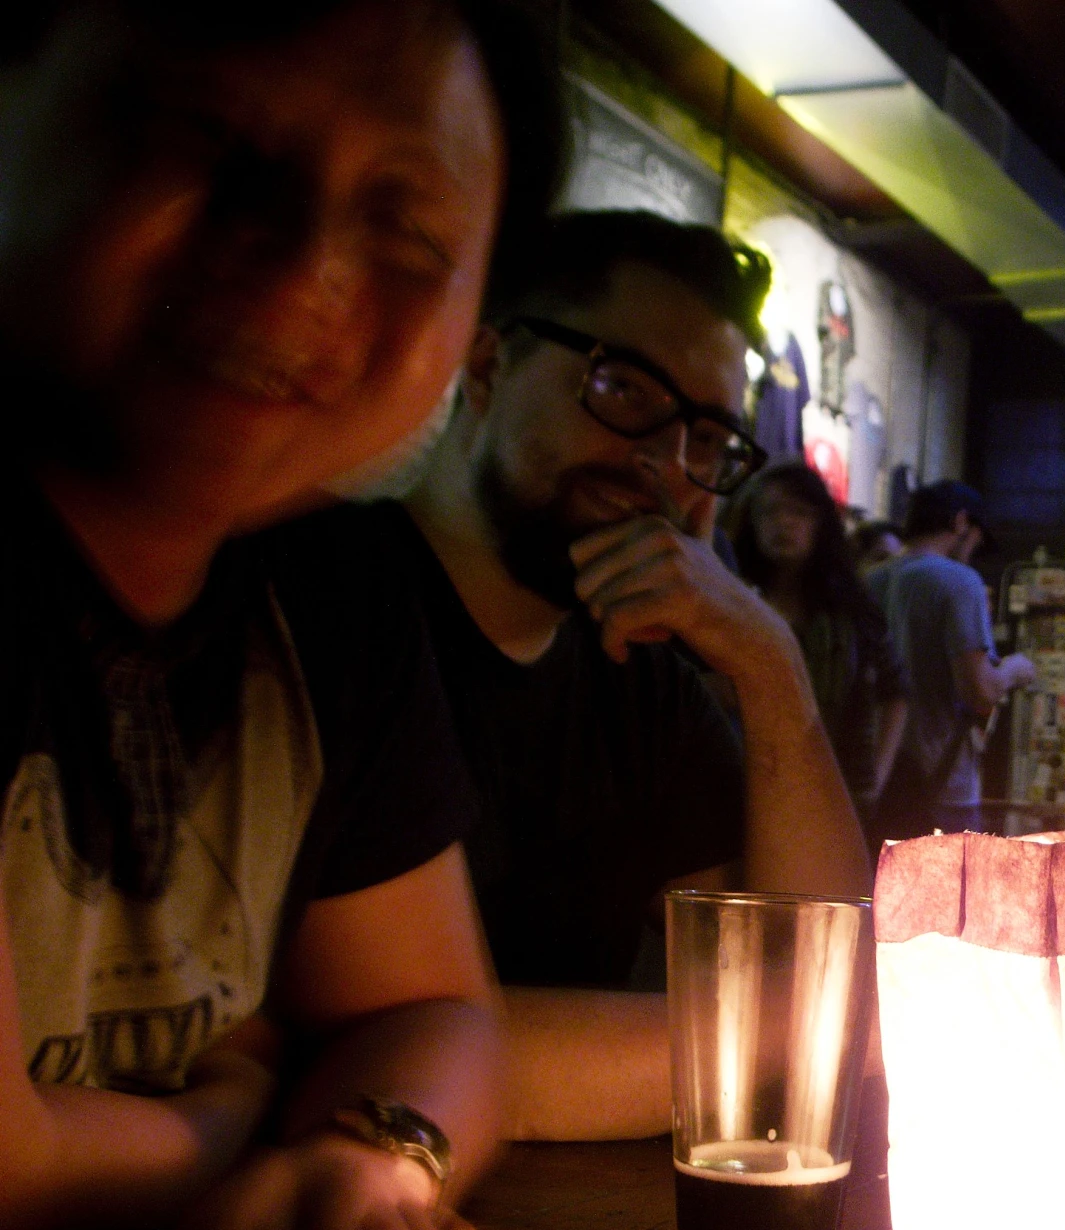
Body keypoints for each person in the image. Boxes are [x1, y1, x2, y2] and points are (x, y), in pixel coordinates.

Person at [0, 0, 566, 1230]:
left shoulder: (329, 582)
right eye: (209, 137)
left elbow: (442, 1011)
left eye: (409, 234)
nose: (307, 262)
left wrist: (367, 1162)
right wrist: (246, 1121)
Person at [266, 211, 872, 1143]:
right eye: (623, 387)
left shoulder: (641, 674)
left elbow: (812, 955)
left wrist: (771, 668)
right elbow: (374, 1043)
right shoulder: (320, 597)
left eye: (709, 439)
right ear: (484, 369)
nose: (667, 465)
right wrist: (797, 1033)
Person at [726, 458, 905, 814]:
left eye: (799, 512)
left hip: (833, 792)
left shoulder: (850, 611)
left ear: (820, 523)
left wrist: (875, 779)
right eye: (770, 512)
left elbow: (896, 690)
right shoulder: (731, 600)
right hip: (740, 791)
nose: (784, 523)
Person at [875, 480, 1034, 837]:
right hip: (943, 783)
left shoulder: (871, 578)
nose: (974, 550)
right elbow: (979, 690)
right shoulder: (959, 581)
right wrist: (1013, 670)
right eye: (976, 537)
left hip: (878, 777)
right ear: (961, 523)